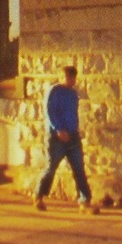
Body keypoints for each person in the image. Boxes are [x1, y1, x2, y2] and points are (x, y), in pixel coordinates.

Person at [33, 66, 96, 214]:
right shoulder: (54, 91)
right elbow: (50, 112)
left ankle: (84, 201)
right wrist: (59, 129)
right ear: (62, 76)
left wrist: (74, 130)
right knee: (51, 168)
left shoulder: (73, 94)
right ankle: (38, 195)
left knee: (79, 169)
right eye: (68, 77)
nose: (71, 80)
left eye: (73, 77)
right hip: (57, 137)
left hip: (73, 136)